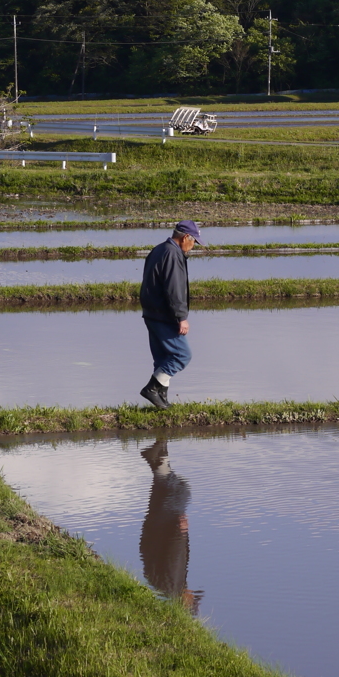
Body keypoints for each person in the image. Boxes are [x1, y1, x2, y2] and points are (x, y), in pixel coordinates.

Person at [139, 220, 202, 409]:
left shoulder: (159, 249)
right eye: (194, 242)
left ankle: (162, 401)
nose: (193, 247)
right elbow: (174, 289)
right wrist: (181, 317)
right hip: (165, 314)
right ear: (185, 238)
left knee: (163, 358)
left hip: (151, 312)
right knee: (182, 355)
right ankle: (151, 389)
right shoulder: (172, 254)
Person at [139, 440, 202, 613]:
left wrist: (179, 530)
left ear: (185, 603)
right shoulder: (167, 588)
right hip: (154, 527)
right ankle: (160, 453)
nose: (191, 594)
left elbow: (173, 556)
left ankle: (158, 457)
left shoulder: (172, 584)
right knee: (164, 486)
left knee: (181, 492)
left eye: (192, 599)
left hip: (164, 525)